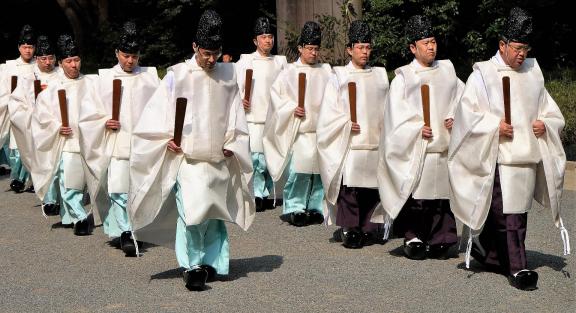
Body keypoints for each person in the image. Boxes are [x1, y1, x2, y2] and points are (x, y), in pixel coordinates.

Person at [128, 10, 254, 291]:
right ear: (195, 47)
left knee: (214, 212)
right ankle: (191, 265)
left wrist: (233, 141)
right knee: (192, 213)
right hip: (190, 158)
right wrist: (166, 139)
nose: (211, 59)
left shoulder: (229, 74)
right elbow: (157, 112)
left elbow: (236, 113)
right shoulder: (177, 76)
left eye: (216, 53)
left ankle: (214, 262)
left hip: (219, 157)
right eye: (206, 53)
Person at [448, 7, 568, 291]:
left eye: (525, 48)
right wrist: (493, 126)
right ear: (502, 45)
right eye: (516, 48)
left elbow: (550, 110)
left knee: (516, 213)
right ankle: (517, 267)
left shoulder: (533, 72)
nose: (521, 54)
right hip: (499, 155)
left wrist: (546, 124)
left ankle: (488, 253)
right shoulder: (483, 73)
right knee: (507, 213)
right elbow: (467, 113)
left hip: (526, 154)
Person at [373, 15, 464, 260]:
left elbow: (463, 98)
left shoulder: (447, 70)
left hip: (443, 145)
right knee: (418, 197)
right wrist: (415, 129)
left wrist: (457, 116)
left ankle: (442, 239)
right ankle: (413, 236)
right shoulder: (404, 77)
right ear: (413, 48)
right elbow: (394, 116)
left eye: (433, 41)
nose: (431, 47)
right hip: (418, 148)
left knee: (442, 199)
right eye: (425, 43)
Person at [79, 22, 160, 256]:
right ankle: (125, 231)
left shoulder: (150, 77)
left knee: (140, 189)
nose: (130, 61)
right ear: (117, 53)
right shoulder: (103, 79)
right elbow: (88, 113)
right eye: (126, 55)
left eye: (134, 56)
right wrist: (104, 120)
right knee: (118, 188)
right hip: (116, 141)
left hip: (142, 143)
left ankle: (136, 228)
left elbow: (161, 107)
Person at [317, 20, 389, 249]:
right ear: (349, 49)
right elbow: (328, 110)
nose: (365, 52)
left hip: (375, 140)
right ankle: (350, 227)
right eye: (360, 47)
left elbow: (389, 107)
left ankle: (369, 226)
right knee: (350, 187)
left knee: (372, 187)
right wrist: (345, 123)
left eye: (368, 47)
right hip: (349, 141)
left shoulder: (380, 76)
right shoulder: (338, 76)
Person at [263, 21, 331, 227]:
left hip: (320, 130)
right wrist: (292, 108)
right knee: (299, 170)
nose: (313, 53)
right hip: (300, 130)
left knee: (319, 173)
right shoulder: (288, 72)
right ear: (300, 48)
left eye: (316, 49)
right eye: (309, 48)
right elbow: (276, 98)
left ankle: (315, 206)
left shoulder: (326, 71)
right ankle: (295, 206)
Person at [30, 34, 96, 235]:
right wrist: (57, 126)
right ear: (61, 63)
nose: (74, 65)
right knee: (69, 181)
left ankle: (68, 217)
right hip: (66, 141)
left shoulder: (92, 83)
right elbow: (41, 116)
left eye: (76, 60)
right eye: (69, 61)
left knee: (81, 183)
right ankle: (80, 217)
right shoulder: (53, 88)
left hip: (89, 140)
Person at [235, 17, 287, 212]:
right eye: (264, 37)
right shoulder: (246, 61)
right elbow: (236, 85)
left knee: (268, 158)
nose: (268, 40)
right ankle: (258, 193)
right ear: (255, 41)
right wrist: (242, 99)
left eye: (270, 36)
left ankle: (266, 190)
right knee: (256, 158)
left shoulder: (280, 62)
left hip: (273, 116)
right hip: (253, 116)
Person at [9, 35, 62, 216]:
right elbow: (16, 104)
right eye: (43, 58)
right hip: (38, 128)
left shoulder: (62, 75)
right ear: (37, 59)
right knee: (44, 164)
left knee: (59, 165)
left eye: (51, 58)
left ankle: (60, 198)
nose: (48, 62)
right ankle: (49, 200)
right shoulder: (28, 78)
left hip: (60, 128)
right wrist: (31, 113)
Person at [0, 25, 36, 192]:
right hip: (16, 110)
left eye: (30, 47)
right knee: (15, 147)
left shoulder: (40, 65)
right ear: (19, 47)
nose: (28, 50)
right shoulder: (9, 67)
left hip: (35, 112)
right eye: (24, 47)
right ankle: (17, 178)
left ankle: (29, 179)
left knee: (32, 146)